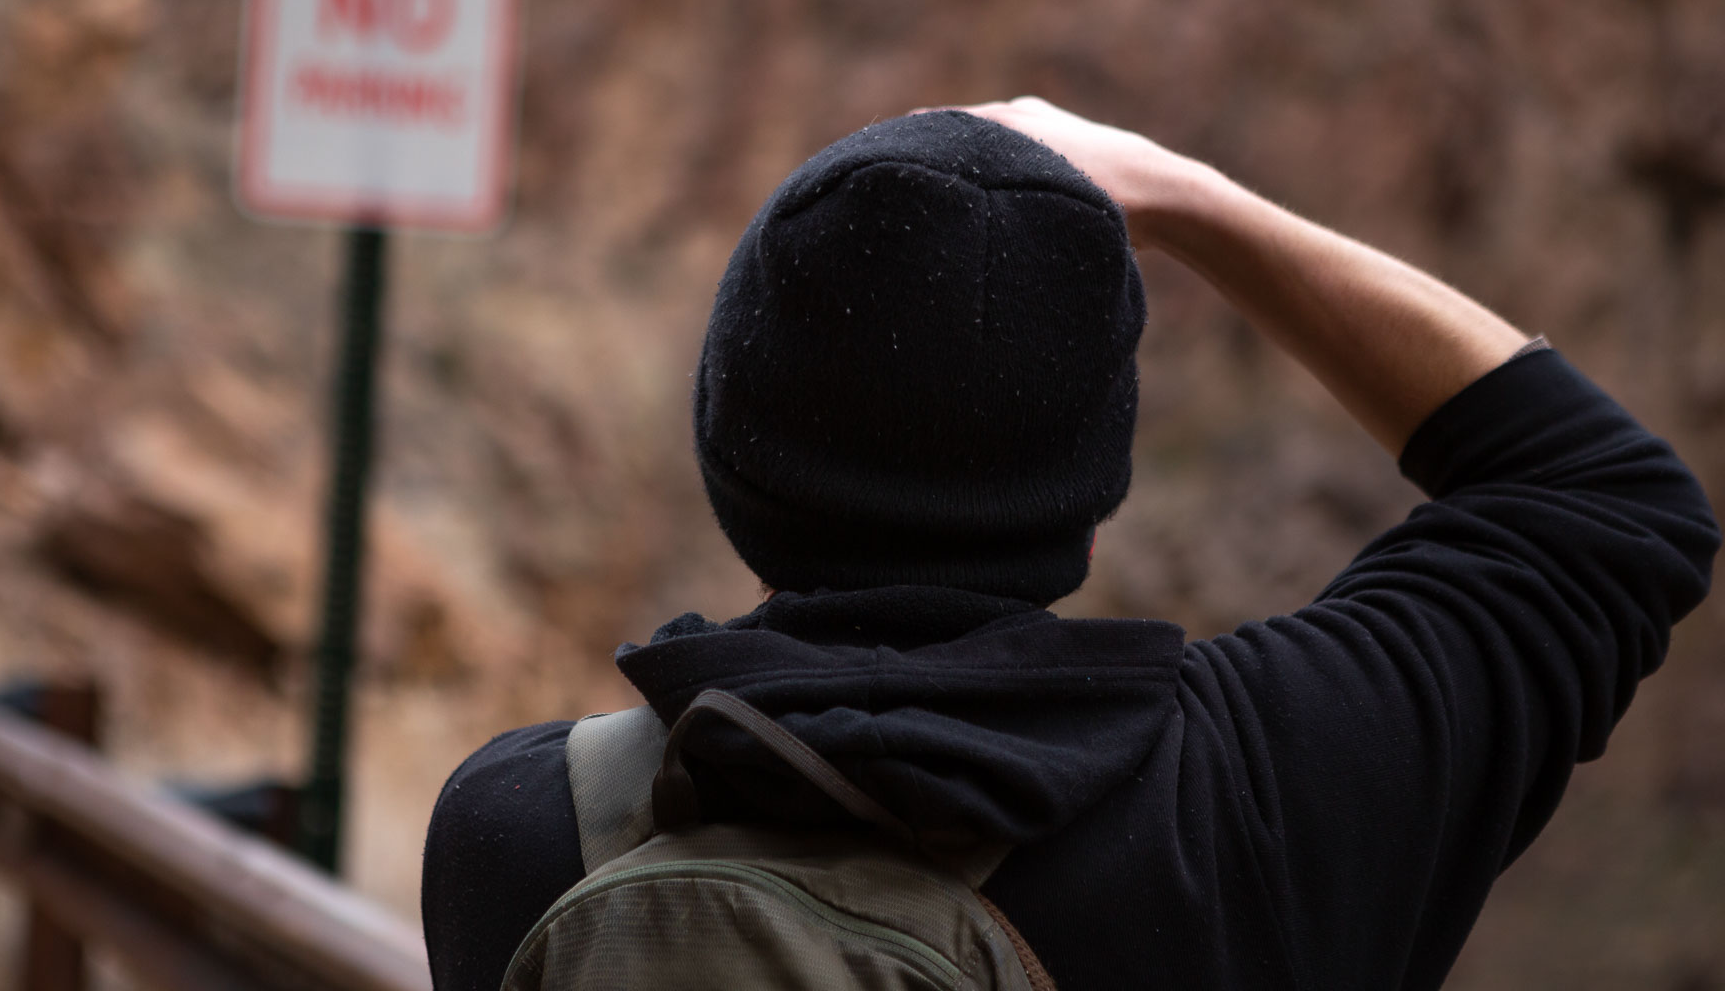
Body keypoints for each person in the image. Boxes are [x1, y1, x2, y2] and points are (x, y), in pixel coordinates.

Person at [421, 99, 1717, 990]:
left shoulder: (522, 835)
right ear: (1097, 472)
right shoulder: (1261, 810)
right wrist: (1186, 198)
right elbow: (1602, 499)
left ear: (731, 436)